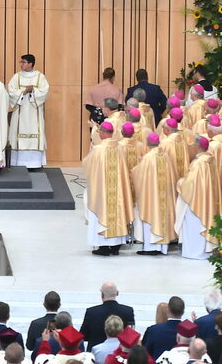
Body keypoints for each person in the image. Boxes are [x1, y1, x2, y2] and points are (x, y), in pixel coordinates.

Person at [84, 124, 133, 256]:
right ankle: (116, 246)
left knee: (102, 211)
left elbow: (88, 166)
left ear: (104, 132)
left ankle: (104, 247)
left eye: (100, 131)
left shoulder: (98, 149)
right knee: (117, 211)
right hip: (117, 191)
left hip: (102, 190)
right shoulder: (121, 148)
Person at [175, 137, 222, 260]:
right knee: (202, 224)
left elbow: (189, 184)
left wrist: (180, 182)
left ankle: (194, 252)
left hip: (196, 202)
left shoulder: (198, 163)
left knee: (194, 225)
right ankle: (204, 250)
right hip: (208, 201)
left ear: (197, 147)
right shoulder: (211, 160)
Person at [8, 55, 50, 170]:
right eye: (20, 62)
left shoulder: (40, 77)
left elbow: (45, 92)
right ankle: (17, 162)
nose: (21, 64)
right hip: (19, 113)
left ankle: (34, 163)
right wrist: (24, 91)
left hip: (34, 112)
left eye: (24, 62)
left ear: (31, 63)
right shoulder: (16, 77)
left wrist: (33, 90)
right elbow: (11, 92)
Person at [81, 285, 134, 349]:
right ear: (117, 293)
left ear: (102, 294)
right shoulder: (128, 311)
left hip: (95, 352)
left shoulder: (91, 312)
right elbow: (130, 335)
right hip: (120, 352)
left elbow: (83, 335)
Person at [27, 293, 62, 359]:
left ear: (44, 305)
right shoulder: (65, 323)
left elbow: (29, 346)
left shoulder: (35, 323)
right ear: (59, 305)